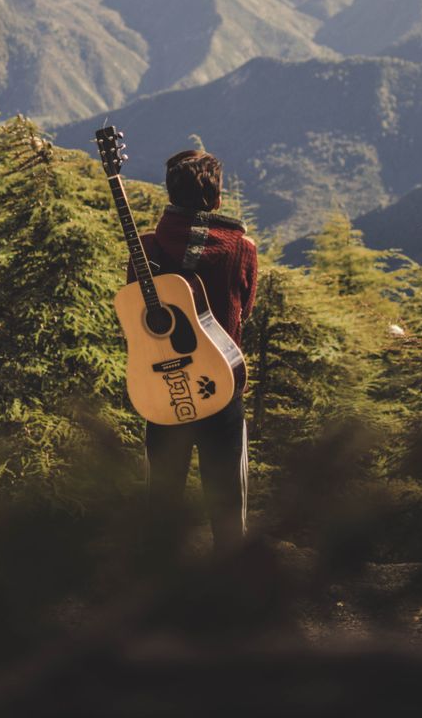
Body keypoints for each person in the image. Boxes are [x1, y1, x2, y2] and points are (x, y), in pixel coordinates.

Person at [128, 149, 258, 553]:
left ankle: (160, 592)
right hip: (219, 385)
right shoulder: (242, 249)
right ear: (217, 199)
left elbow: (136, 320)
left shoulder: (146, 248)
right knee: (228, 508)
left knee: (161, 505)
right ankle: (231, 591)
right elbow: (244, 311)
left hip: (163, 388)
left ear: (170, 195)